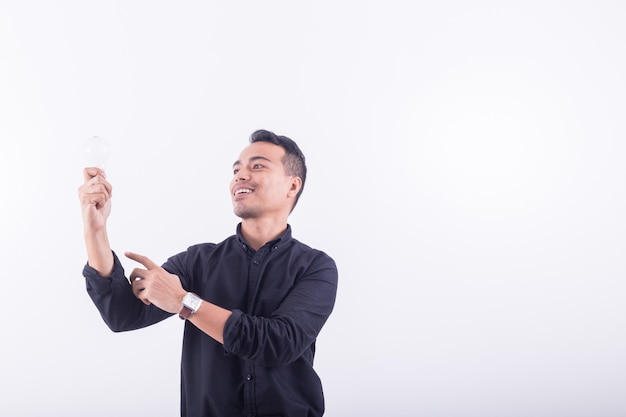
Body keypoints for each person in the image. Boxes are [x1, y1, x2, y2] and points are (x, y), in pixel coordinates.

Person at [78, 129, 338, 417]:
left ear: (292, 186)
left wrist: (185, 303)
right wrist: (95, 229)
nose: (240, 175)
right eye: (236, 169)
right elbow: (122, 314)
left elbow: (279, 342)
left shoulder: (316, 267)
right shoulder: (197, 262)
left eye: (257, 166)